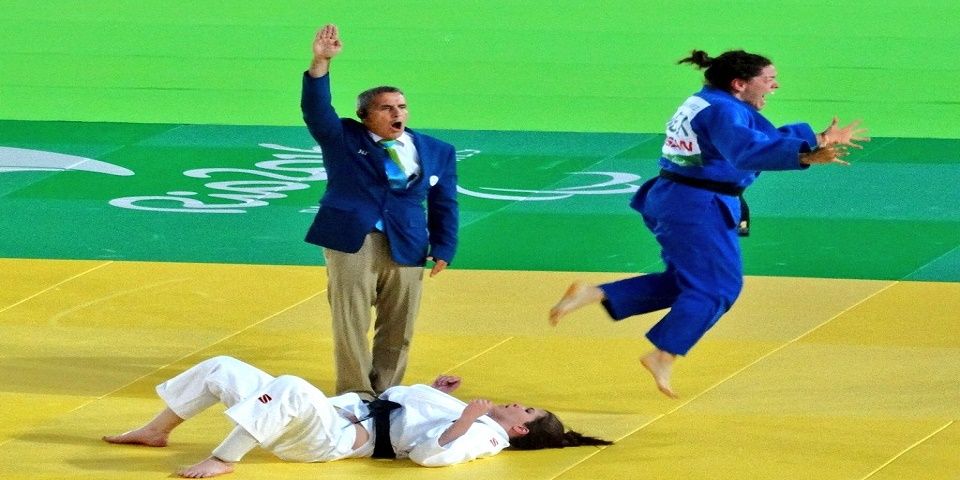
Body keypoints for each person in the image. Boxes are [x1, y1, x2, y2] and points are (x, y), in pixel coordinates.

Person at [548, 49, 869, 399]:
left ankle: (597, 294)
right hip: (697, 206)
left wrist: (818, 138)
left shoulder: (711, 101)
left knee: (688, 280)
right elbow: (746, 152)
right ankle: (663, 353)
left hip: (676, 197)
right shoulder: (724, 110)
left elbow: (755, 139)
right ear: (739, 83)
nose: (775, 85)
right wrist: (805, 154)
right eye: (768, 79)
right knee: (719, 287)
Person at [103, 356, 612, 478]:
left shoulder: (482, 438)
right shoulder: (468, 411)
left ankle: (223, 458)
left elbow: (430, 457)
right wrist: (436, 393)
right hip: (336, 412)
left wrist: (462, 421)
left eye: (524, 409)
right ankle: (157, 430)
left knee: (292, 388)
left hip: (330, 438)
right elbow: (397, 399)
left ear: (519, 429)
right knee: (223, 367)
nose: (515, 401)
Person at [300, 24, 459, 400]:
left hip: (407, 241)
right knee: (351, 320)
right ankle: (356, 392)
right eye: (386, 108)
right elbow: (316, 109)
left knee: (400, 324)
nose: (396, 113)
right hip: (353, 239)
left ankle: (387, 392)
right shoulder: (343, 138)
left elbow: (444, 202)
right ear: (365, 115)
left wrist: (445, 247)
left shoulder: (437, 149)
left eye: (401, 106)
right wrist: (321, 62)